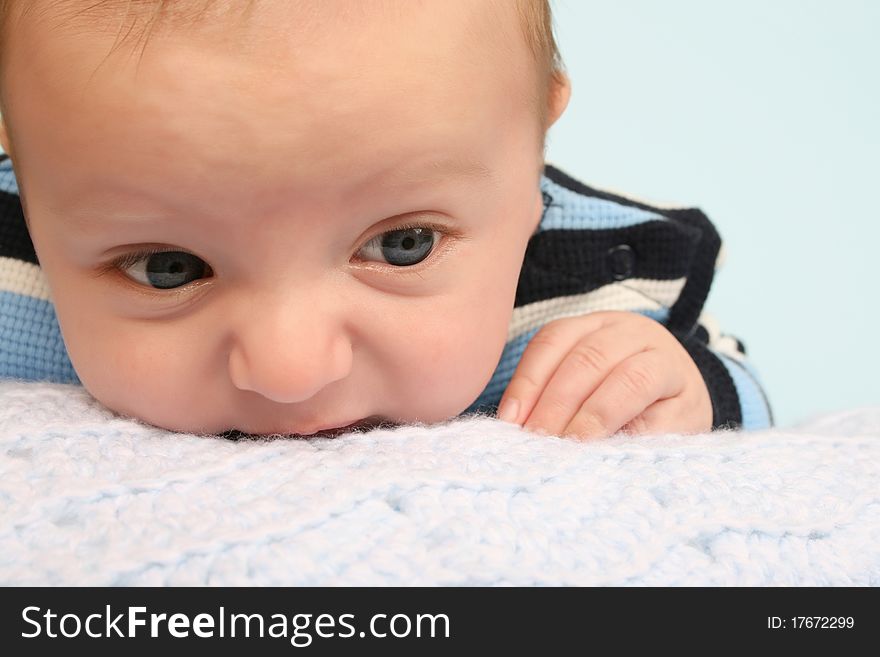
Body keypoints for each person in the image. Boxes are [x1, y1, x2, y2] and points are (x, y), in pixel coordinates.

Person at [0, 0, 772, 438]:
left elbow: (740, 383)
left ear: (531, 150)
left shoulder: (592, 276)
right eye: (167, 267)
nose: (290, 369)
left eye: (403, 246)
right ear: (31, 179)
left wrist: (688, 386)